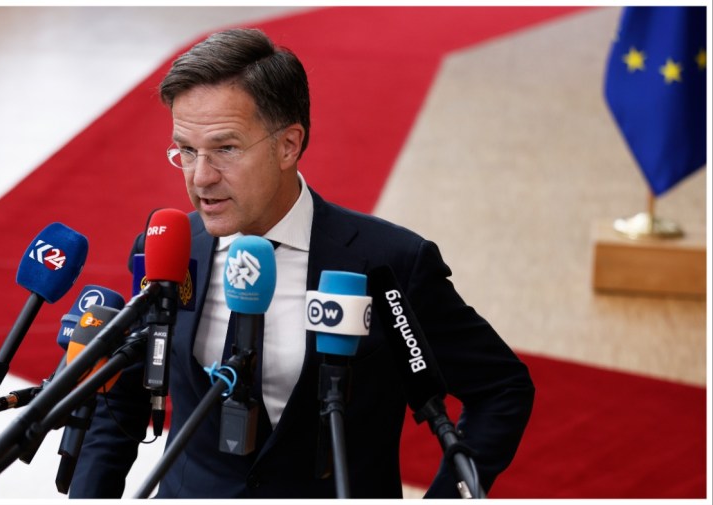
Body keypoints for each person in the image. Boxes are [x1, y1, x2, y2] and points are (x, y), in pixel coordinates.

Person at [69, 27, 534, 498]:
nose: (200, 177)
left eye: (225, 149)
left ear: (289, 144)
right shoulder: (168, 250)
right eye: (186, 151)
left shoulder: (390, 262)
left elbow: (501, 388)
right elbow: (119, 398)